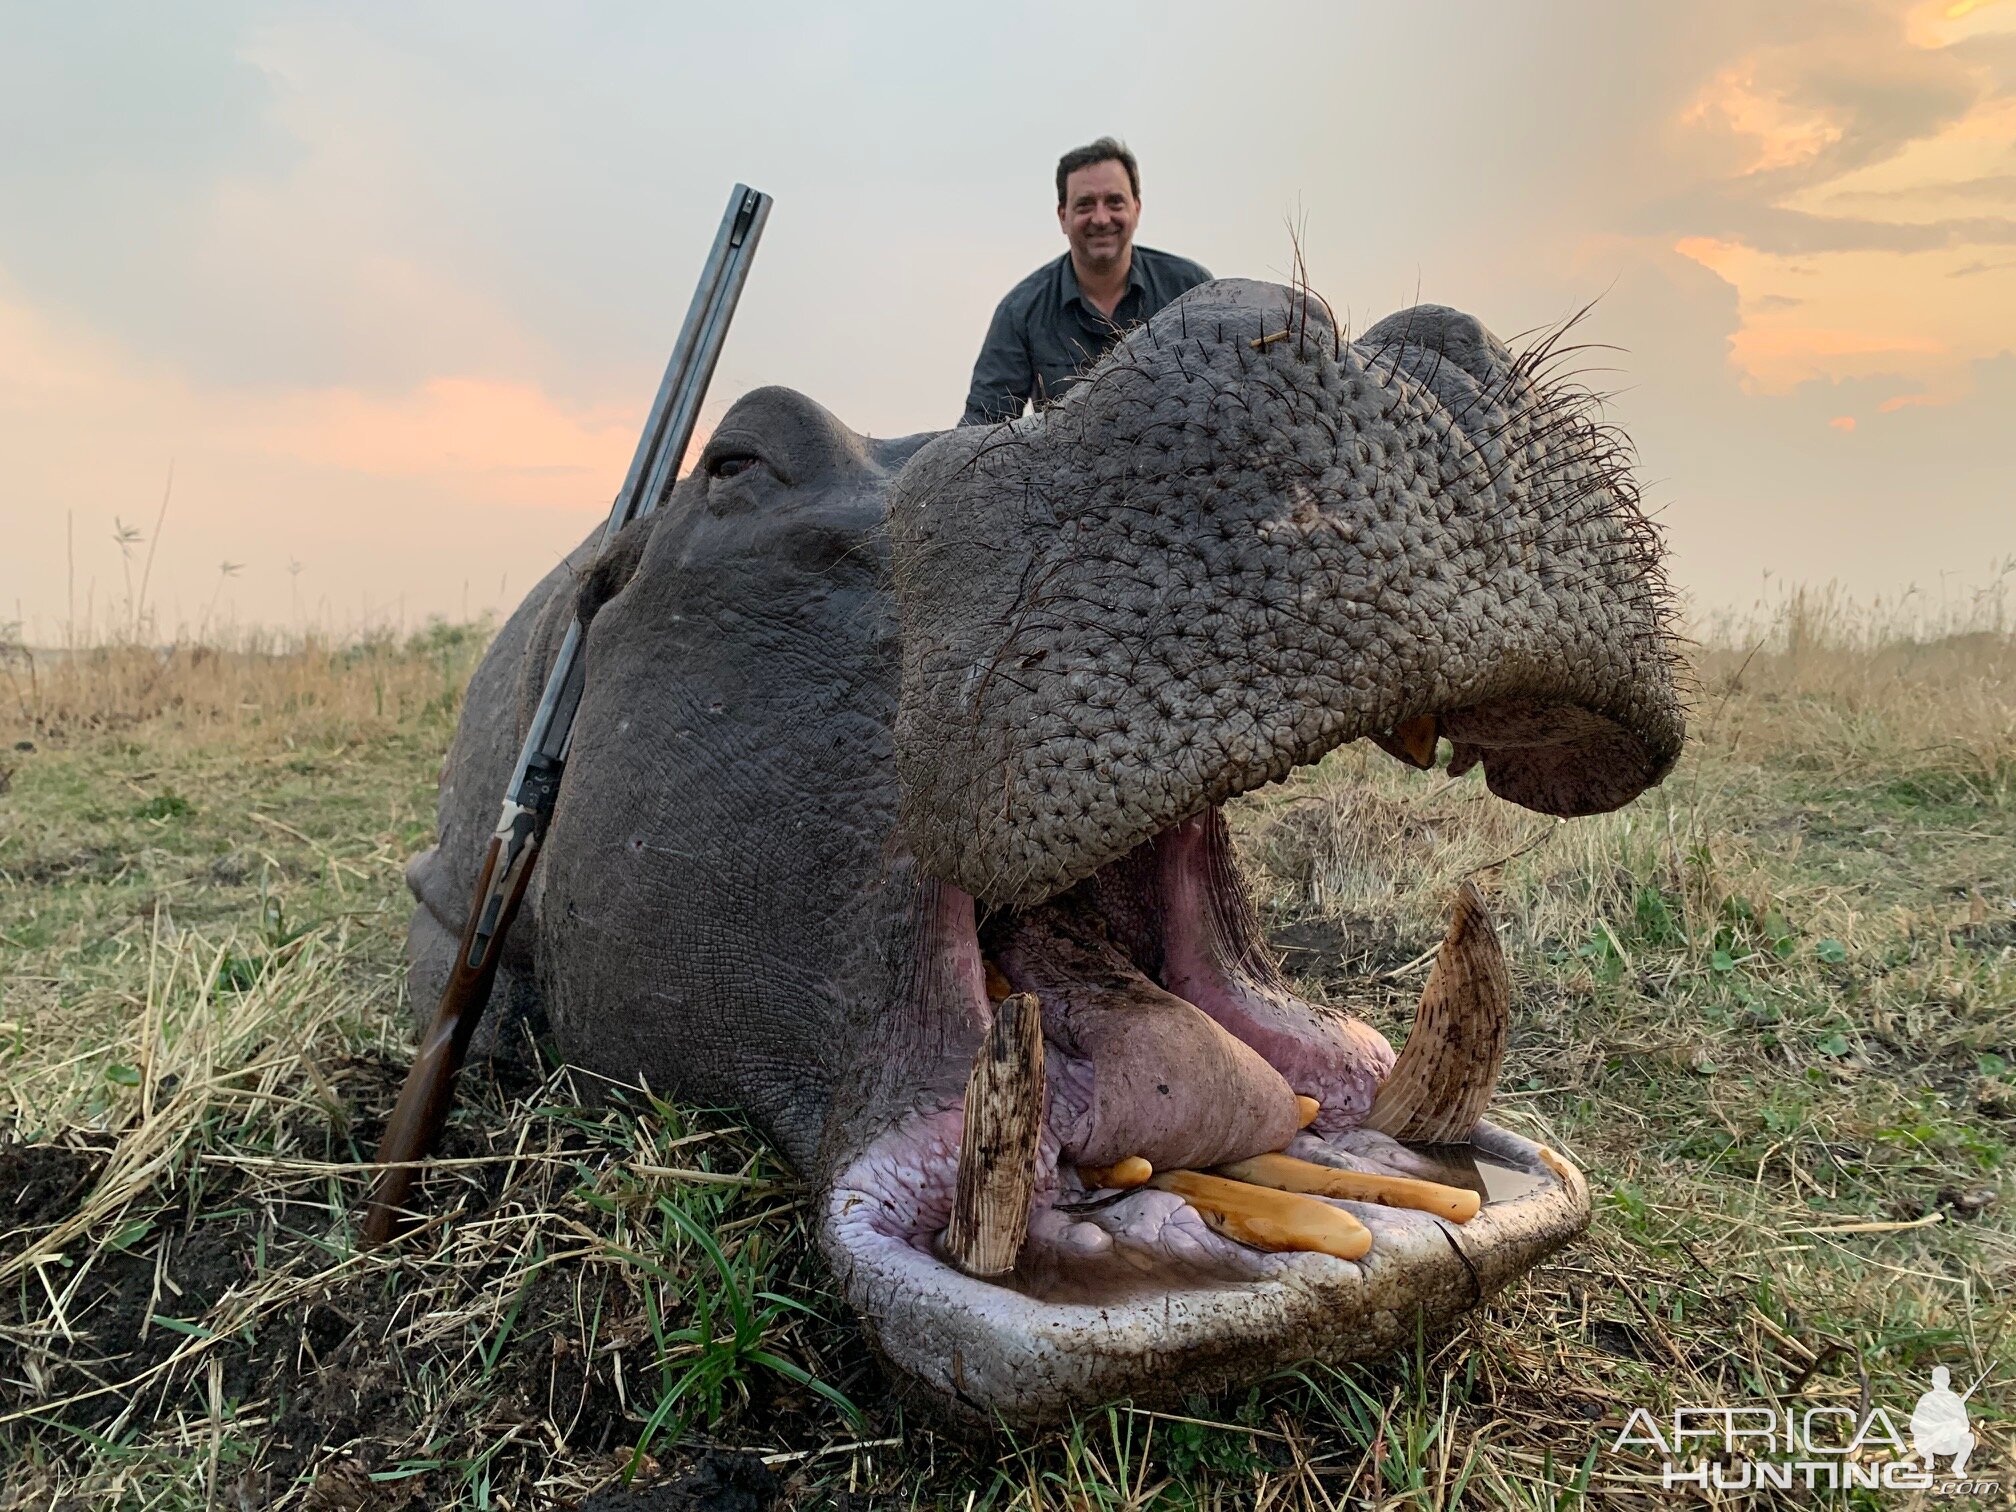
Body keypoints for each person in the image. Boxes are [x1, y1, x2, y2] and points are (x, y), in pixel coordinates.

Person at [961, 138, 1211, 425]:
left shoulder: (1191, 290)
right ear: (1063, 216)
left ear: (1137, 208)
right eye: (1085, 205)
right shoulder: (1020, 310)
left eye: (1114, 202)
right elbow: (981, 427)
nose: (1101, 218)